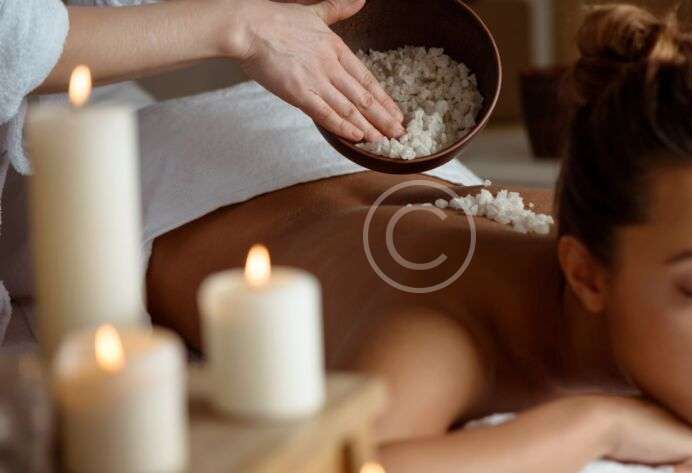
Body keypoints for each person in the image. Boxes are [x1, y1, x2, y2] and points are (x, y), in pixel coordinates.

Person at [143, 4, 692, 472]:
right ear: (586, 273)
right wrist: (597, 427)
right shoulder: (440, 337)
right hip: (173, 182)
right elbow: (343, 463)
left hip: (365, 155)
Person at [0, 0, 403, 345]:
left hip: (87, 106)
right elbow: (16, 37)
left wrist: (261, 14)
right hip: (36, 139)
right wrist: (243, 26)